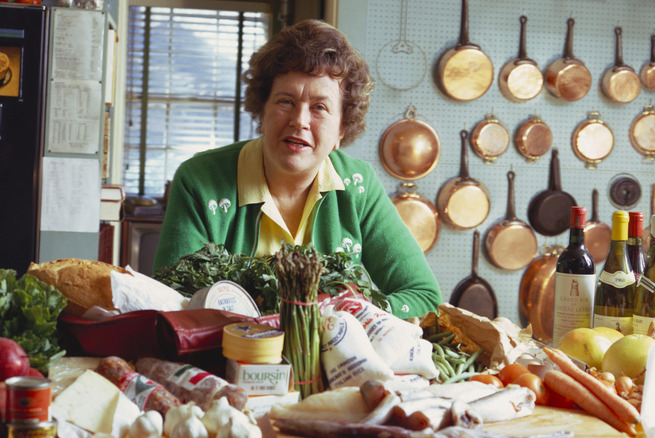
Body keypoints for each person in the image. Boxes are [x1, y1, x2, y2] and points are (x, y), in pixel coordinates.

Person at [153, 19, 441, 319]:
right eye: (286, 101)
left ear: (342, 128)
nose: (299, 120)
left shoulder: (359, 186)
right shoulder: (200, 179)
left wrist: (355, 312)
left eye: (319, 107)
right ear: (262, 112)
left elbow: (424, 296)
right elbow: (170, 299)